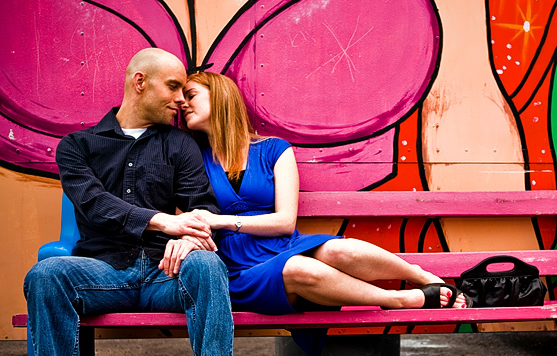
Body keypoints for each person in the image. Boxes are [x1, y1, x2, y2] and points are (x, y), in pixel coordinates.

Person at [23, 49, 235, 356]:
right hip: (102, 273)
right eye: (172, 87)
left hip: (165, 273)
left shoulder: (180, 144)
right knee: (45, 274)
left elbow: (200, 208)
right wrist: (168, 224)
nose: (181, 99)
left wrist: (192, 241)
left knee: (209, 266)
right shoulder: (78, 146)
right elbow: (96, 204)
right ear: (140, 82)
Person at [180, 72, 468, 331]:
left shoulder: (273, 149)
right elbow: (187, 221)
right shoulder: (192, 159)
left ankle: (426, 278)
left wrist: (221, 220)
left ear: (219, 96)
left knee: (340, 250)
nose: (183, 103)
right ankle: (399, 300)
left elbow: (284, 222)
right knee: (297, 269)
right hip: (235, 266)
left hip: (282, 243)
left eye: (191, 95)